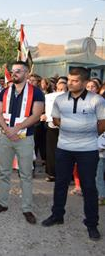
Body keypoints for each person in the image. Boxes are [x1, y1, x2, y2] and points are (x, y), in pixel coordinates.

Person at [41, 67, 105, 241]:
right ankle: (57, 215)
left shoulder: (97, 100)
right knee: (60, 183)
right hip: (64, 148)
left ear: (84, 83)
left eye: (75, 80)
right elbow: (55, 119)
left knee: (89, 187)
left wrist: (86, 134)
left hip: (88, 150)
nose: (70, 83)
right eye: (69, 80)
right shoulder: (60, 100)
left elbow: (102, 123)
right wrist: (71, 130)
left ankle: (92, 224)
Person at [0, 61, 44, 225]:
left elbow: (36, 115)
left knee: (26, 174)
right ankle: (2, 203)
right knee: (4, 171)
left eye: (18, 71)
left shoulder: (37, 93)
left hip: (25, 138)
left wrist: (17, 128)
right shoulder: (5, 92)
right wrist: (7, 129)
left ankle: (27, 208)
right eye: (13, 71)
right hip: (6, 136)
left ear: (27, 74)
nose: (14, 74)